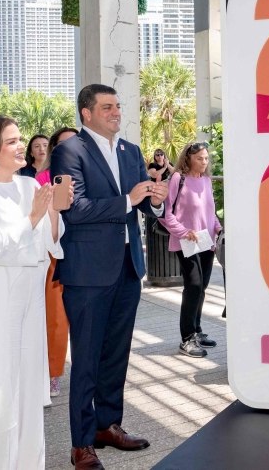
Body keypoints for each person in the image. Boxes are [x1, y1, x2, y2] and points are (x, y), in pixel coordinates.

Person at [49, 84, 168, 470]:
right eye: (107, 107)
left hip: (128, 267)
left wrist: (155, 199)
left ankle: (107, 426)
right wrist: (129, 199)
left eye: (118, 105)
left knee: (116, 354)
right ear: (87, 113)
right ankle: (81, 444)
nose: (116, 112)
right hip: (87, 272)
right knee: (86, 360)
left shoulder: (130, 151)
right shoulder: (69, 151)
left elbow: (144, 209)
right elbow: (75, 210)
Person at [0, 115, 70, 469]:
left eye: (19, 138)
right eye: (12, 141)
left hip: (29, 305)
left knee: (24, 396)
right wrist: (35, 217)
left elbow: (50, 244)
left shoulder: (27, 186)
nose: (21, 145)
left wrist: (53, 209)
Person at [159, 142, 223, 358]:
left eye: (206, 158)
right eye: (199, 159)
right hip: (186, 241)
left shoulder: (206, 180)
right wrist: (184, 231)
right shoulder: (178, 179)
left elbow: (210, 212)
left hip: (206, 241)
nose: (204, 162)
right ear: (188, 159)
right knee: (193, 285)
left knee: (202, 286)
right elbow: (167, 215)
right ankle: (186, 338)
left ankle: (196, 330)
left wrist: (218, 227)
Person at [35, 127, 79, 397]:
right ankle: (52, 372)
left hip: (86, 251)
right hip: (55, 252)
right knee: (56, 319)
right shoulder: (41, 178)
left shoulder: (91, 173)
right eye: (63, 144)